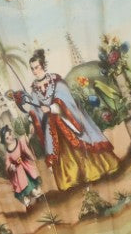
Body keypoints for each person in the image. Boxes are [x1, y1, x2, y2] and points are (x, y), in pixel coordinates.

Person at [11, 49, 121, 191]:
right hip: (52, 129)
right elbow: (34, 109)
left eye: (37, 67)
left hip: (66, 120)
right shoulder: (34, 90)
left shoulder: (56, 81)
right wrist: (31, 118)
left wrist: (51, 108)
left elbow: (66, 99)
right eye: (32, 69)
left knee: (80, 144)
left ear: (43, 65)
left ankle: (93, 172)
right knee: (61, 153)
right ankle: (72, 178)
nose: (35, 71)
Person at [1, 125, 42, 206]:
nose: (10, 137)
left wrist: (30, 156)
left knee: (33, 181)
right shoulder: (7, 153)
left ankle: (38, 197)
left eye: (9, 134)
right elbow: (7, 164)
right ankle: (30, 199)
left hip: (26, 166)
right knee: (26, 185)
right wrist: (11, 167)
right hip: (19, 172)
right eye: (7, 138)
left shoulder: (19, 142)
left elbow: (25, 149)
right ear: (4, 141)